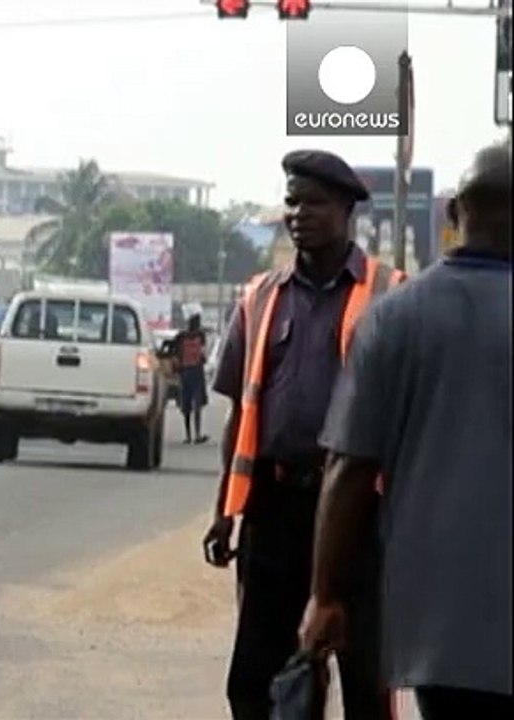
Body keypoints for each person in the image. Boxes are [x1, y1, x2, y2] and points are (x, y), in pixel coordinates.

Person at [301, 141, 513, 719]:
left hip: (440, 629)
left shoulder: (394, 318)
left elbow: (348, 467)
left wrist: (325, 595)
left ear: (451, 216)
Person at [203, 149, 406, 720]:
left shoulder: (392, 297)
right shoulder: (260, 298)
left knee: (365, 676)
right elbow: (240, 415)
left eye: (314, 203)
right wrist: (226, 508)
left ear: (347, 211)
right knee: (258, 680)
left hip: (361, 516)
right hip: (275, 512)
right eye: (292, 201)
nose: (299, 213)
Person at [175, 313, 210, 444]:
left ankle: (189, 435)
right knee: (196, 404)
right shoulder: (199, 336)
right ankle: (196, 435)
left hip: (186, 372)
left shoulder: (182, 336)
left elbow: (177, 353)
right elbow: (202, 353)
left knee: (188, 405)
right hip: (195, 372)